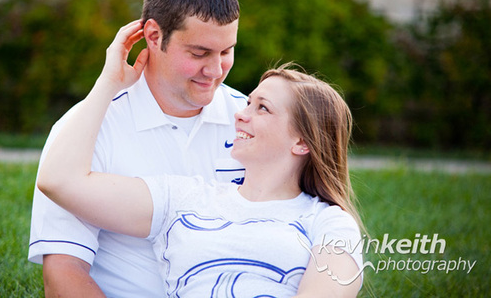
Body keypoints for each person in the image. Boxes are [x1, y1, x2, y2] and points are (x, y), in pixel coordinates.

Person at [37, 21, 364, 297]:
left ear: (302, 142)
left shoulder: (330, 223)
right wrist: (108, 82)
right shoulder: (183, 198)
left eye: (261, 108)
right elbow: (59, 182)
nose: (239, 115)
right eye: (248, 103)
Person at [28, 0, 246, 297]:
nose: (216, 70)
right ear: (154, 36)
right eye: (200, 53)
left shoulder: (252, 119)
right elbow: (62, 274)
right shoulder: (81, 132)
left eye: (227, 51)